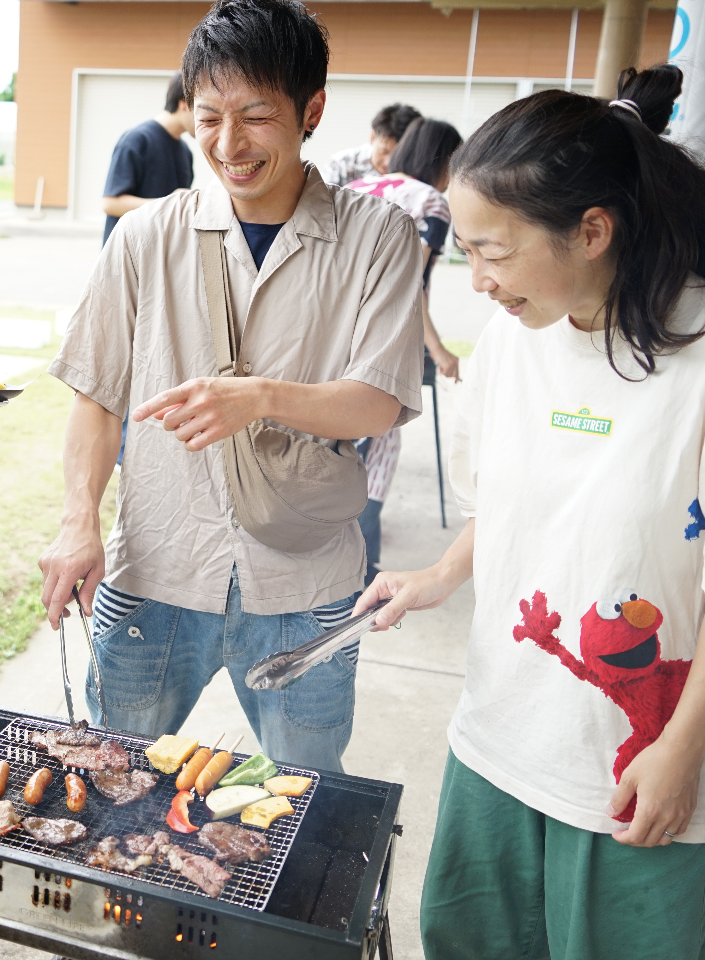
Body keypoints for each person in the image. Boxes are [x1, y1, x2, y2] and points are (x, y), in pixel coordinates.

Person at [357, 65, 705, 960]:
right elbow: (514, 502)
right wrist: (440, 575)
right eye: (465, 251)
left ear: (593, 230)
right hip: (503, 732)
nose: (475, 280)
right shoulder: (514, 339)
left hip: (639, 766)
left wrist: (683, 751)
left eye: (494, 252)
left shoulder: (697, 362)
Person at [39, 0, 424, 773]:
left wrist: (259, 397)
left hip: (307, 584)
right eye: (209, 117)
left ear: (311, 109)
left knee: (307, 801)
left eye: (255, 116)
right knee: (110, 781)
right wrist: (80, 519)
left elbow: (379, 400)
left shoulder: (378, 236)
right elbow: (97, 396)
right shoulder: (148, 236)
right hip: (155, 570)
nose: (229, 144)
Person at [346, 117, 463, 583]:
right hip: (384, 345)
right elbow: (407, 285)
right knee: (378, 447)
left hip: (332, 338)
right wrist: (438, 348)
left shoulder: (357, 187)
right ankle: (358, 573)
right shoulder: (430, 201)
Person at [100, 71, 196, 245]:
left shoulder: (185, 151)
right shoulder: (137, 140)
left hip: (159, 258)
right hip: (126, 258)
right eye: (204, 110)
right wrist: (167, 204)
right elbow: (110, 203)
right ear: (184, 104)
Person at [326, 102, 421, 187]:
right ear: (372, 137)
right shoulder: (342, 164)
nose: (388, 162)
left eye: (399, 155)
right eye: (384, 151)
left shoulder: (419, 171)